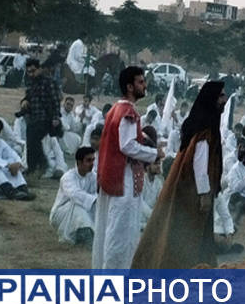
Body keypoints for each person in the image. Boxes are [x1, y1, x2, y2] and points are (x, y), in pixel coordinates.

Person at [132, 82, 226, 269]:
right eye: (221, 96)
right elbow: (200, 165)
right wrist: (205, 194)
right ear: (212, 100)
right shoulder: (205, 132)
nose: (224, 100)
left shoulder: (202, 127)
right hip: (192, 193)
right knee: (187, 236)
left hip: (189, 191)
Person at [94, 67, 163, 268]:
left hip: (116, 177)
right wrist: (154, 153)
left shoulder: (116, 109)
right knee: (120, 237)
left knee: (114, 232)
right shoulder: (127, 112)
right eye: (141, 82)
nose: (145, 85)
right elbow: (127, 145)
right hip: (122, 179)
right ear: (129, 86)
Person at [21, 57, 62, 176]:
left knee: (34, 137)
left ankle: (40, 164)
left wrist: (55, 118)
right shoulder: (30, 83)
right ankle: (33, 167)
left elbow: (55, 101)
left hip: (46, 118)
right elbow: (27, 98)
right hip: (33, 118)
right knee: (31, 141)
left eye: (33, 71)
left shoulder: (49, 82)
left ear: (39, 69)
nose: (31, 74)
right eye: (29, 72)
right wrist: (23, 101)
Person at [50, 147, 97, 244]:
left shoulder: (93, 176)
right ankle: (86, 235)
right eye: (88, 160)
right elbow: (75, 194)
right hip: (60, 214)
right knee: (78, 204)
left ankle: (87, 231)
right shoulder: (68, 177)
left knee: (96, 205)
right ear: (79, 162)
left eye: (93, 160)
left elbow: (99, 194)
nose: (92, 163)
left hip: (83, 212)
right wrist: (95, 200)